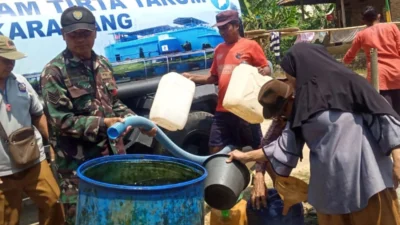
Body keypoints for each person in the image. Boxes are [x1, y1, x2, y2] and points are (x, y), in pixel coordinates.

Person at [228, 43, 400, 225]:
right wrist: (246, 157)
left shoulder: (351, 84)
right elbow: (281, 146)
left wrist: (397, 158)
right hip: (330, 187)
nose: (292, 81)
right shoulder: (303, 104)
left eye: (291, 75)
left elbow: (383, 116)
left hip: (367, 179)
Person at [40, 6, 156, 225]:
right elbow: (61, 121)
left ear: (95, 32)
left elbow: (112, 102)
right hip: (78, 168)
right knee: (84, 218)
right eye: (74, 35)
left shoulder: (102, 64)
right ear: (64, 35)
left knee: (118, 215)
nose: (80, 40)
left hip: (113, 158)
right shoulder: (54, 72)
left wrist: (137, 120)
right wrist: (104, 124)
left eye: (85, 33)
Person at [183, 10, 271, 155]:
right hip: (223, 108)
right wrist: (191, 77)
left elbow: (265, 67)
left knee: (258, 148)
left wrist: (264, 71)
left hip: (244, 108)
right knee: (215, 147)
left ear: (236, 25)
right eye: (219, 29)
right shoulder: (219, 50)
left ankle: (270, 177)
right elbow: (213, 78)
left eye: (225, 28)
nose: (222, 32)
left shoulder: (250, 45)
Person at [0, 35, 65, 225]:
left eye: (13, 59)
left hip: (34, 161)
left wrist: (51, 143)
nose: (11, 64)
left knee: (53, 203)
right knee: (7, 219)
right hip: (3, 172)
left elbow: (38, 115)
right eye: (5, 59)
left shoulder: (20, 82)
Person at [343, 6, 400, 115]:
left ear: (363, 20)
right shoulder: (392, 27)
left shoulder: (362, 35)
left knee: (386, 114)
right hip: (397, 72)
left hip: (378, 76)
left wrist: (342, 63)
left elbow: (350, 54)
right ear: (378, 16)